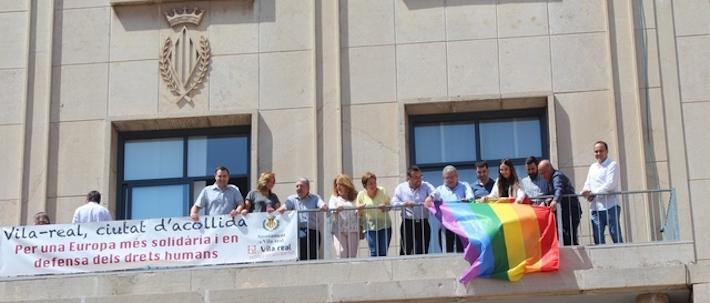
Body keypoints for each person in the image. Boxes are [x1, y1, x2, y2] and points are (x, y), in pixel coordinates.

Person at [581, 141, 623, 244]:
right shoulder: (592, 167)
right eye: (596, 151)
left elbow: (610, 184)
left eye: (601, 151)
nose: (598, 153)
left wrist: (593, 193)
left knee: (615, 234)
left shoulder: (612, 165)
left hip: (611, 206)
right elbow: (588, 183)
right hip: (596, 208)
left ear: (607, 151)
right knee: (598, 237)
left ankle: (622, 256)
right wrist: (585, 191)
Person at [425, 165, 474, 253]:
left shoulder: (464, 185)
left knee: (462, 252)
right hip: (446, 226)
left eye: (452, 177)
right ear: (443, 178)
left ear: (457, 176)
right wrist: (429, 199)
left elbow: (470, 197)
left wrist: (465, 200)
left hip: (461, 226)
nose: (450, 180)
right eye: (447, 177)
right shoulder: (440, 189)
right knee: (447, 252)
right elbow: (432, 196)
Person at [279, 178, 327, 260]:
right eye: (297, 186)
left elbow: (322, 204)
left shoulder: (315, 198)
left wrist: (324, 206)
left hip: (313, 231)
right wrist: (280, 210)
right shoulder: (291, 199)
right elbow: (283, 208)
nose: (298, 188)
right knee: (302, 245)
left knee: (313, 256)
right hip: (299, 230)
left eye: (301, 186)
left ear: (308, 188)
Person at [391, 166, 435, 255]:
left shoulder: (426, 185)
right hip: (408, 223)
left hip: (423, 223)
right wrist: (404, 204)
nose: (419, 180)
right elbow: (393, 204)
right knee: (405, 251)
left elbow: (436, 193)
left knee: (422, 251)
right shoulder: (401, 188)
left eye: (420, 177)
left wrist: (430, 197)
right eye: (416, 177)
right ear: (409, 178)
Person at [538, 160, 582, 246]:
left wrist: (555, 201)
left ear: (549, 169)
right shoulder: (549, 180)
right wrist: (544, 202)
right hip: (563, 212)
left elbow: (559, 189)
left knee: (569, 236)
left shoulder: (557, 177)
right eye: (541, 174)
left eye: (544, 173)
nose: (543, 176)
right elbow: (549, 194)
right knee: (564, 236)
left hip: (570, 211)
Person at [356, 172, 393, 257]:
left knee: (383, 252)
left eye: (374, 182)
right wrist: (360, 209)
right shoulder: (361, 195)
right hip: (369, 226)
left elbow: (390, 206)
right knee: (374, 252)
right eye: (370, 183)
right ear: (365, 185)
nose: (373, 185)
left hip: (385, 225)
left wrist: (385, 207)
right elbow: (358, 212)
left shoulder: (382, 190)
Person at [328, 174, 360, 258]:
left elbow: (358, 208)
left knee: (352, 255)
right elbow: (332, 209)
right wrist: (337, 210)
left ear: (347, 186)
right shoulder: (334, 198)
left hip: (352, 228)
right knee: (341, 253)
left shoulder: (355, 198)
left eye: (340, 184)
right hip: (339, 229)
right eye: (337, 185)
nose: (338, 187)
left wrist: (357, 210)